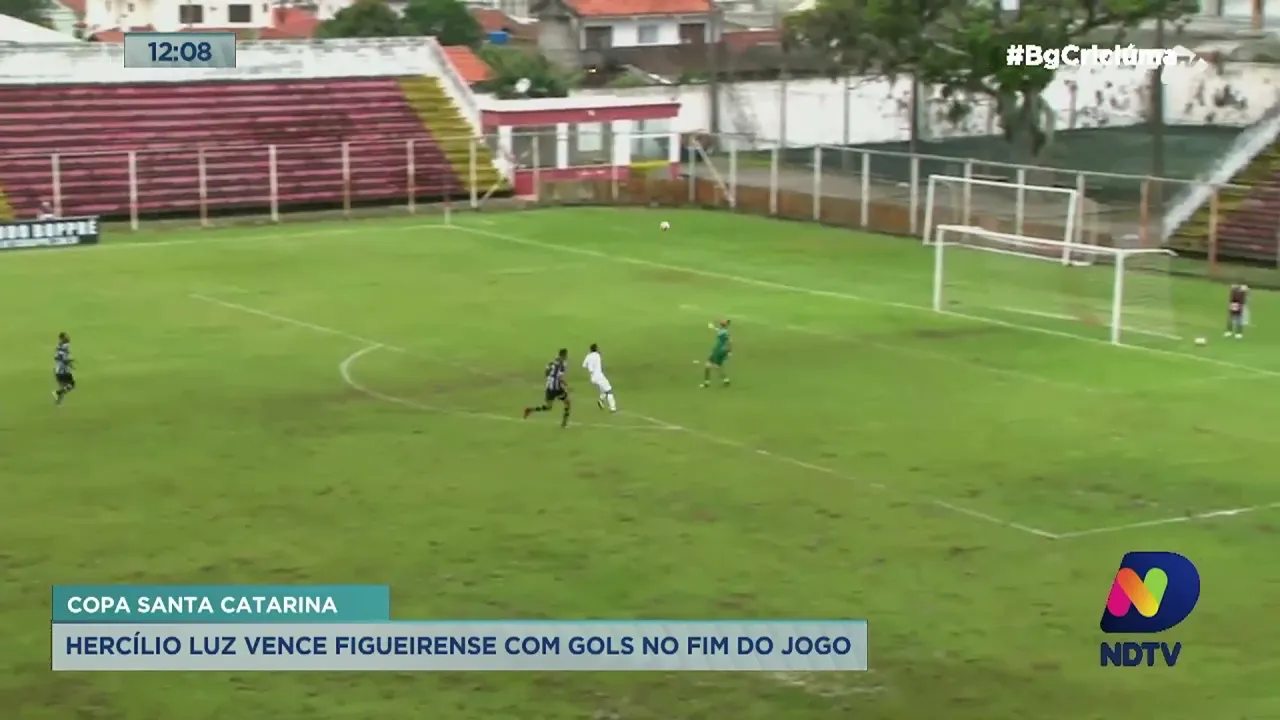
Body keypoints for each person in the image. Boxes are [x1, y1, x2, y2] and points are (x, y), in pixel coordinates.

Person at [524, 348, 571, 427]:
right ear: (564, 355)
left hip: (549, 386)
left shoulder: (552, 362)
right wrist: (565, 383)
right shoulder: (562, 364)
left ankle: (530, 410)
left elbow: (546, 371)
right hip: (556, 388)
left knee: (548, 407)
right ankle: (564, 423)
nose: (567, 357)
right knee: (567, 402)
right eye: (566, 355)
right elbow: (560, 377)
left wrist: (550, 379)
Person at [582, 343, 617, 412]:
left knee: (603, 390)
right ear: (596, 349)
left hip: (593, 378)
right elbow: (598, 355)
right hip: (599, 376)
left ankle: (600, 401)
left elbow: (584, 365)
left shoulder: (588, 356)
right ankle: (613, 408)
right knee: (609, 390)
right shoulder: (597, 355)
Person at [702, 319, 731, 388]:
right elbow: (719, 331)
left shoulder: (724, 332)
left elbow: (729, 341)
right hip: (716, 351)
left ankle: (725, 380)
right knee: (708, 365)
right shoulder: (724, 331)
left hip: (719, 351)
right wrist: (712, 327)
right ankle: (707, 383)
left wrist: (729, 351)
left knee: (715, 366)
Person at [53, 332, 76, 405]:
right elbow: (64, 359)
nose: (68, 337)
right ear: (62, 338)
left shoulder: (60, 346)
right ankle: (57, 393)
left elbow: (57, 357)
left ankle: (58, 403)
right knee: (72, 384)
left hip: (58, 371)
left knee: (63, 387)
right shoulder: (64, 347)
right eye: (66, 336)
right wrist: (70, 362)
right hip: (63, 371)